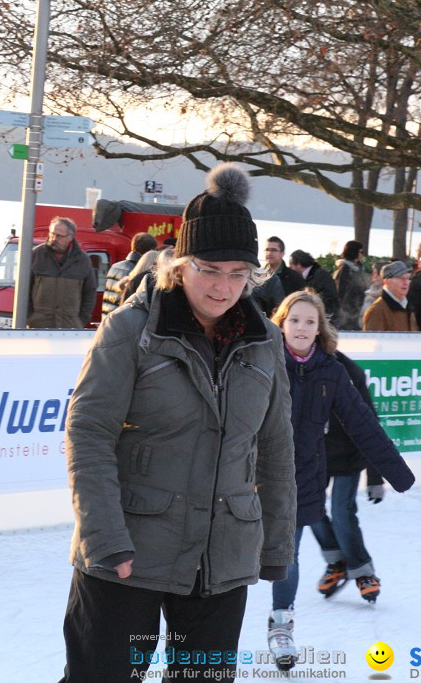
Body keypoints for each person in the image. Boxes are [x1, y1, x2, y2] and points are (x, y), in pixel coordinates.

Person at [60, 162, 296, 682]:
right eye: (210, 270)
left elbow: (275, 446)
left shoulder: (265, 342)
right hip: (129, 555)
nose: (223, 287)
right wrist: (105, 540)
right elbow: (88, 432)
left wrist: (276, 543)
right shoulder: (133, 331)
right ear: (180, 265)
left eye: (239, 274)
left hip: (221, 560)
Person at [267, 291, 414, 671]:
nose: (301, 327)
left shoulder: (333, 372)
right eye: (294, 320)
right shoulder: (260, 361)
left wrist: (395, 474)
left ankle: (281, 624)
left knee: (288, 552)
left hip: (303, 477)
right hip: (252, 476)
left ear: (320, 330)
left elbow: (363, 423)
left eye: (309, 322)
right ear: (280, 322)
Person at [311, 351, 389, 602]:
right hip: (311, 455)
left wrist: (375, 477)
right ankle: (337, 561)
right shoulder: (289, 366)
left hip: (348, 454)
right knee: (308, 509)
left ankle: (363, 570)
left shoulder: (347, 371)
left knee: (342, 513)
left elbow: (370, 423)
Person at [28, 216, 97, 328]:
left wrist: (81, 320)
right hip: (39, 326)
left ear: (70, 237)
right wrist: (30, 317)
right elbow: (24, 289)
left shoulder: (83, 260)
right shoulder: (36, 255)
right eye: (52, 234)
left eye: (59, 236)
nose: (54, 239)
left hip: (70, 327)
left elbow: (89, 292)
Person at [102, 231, 156, 316]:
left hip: (108, 316)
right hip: (121, 319)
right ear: (150, 251)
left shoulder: (115, 266)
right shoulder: (138, 272)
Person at [363, 261, 418, 331]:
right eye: (401, 278)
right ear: (387, 282)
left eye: (408, 278)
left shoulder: (407, 306)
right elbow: (372, 340)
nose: (406, 282)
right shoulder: (377, 311)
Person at [289, 249, 340, 320]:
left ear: (299, 265)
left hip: (326, 319)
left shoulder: (321, 276)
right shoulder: (313, 275)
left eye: (291, 266)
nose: (290, 269)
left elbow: (329, 298)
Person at [332, 240, 367, 331]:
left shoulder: (358, 267)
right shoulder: (345, 269)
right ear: (354, 251)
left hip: (357, 308)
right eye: (361, 251)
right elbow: (340, 291)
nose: (362, 254)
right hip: (347, 311)